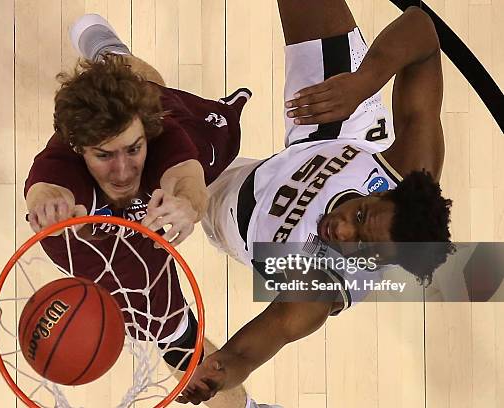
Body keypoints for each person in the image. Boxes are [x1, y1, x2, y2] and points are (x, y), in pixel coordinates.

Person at [179, 1, 453, 404]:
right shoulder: (413, 172)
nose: (341, 229)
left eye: (358, 246)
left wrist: (221, 369)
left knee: (142, 140)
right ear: (384, 191)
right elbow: (423, 32)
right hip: (334, 135)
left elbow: (269, 335)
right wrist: (364, 81)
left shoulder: (322, 286)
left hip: (243, 211)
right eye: (360, 216)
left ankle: (109, 55)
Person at [23, 14, 269, 408]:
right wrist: (49, 208)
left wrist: (187, 205)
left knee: (148, 86)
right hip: (106, 245)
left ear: (146, 134)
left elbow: (188, 178)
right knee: (172, 331)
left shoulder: (166, 133)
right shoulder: (59, 163)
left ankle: (112, 57)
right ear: (79, 147)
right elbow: (44, 190)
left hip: (163, 140)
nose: (122, 170)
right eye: (103, 155)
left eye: (132, 149)